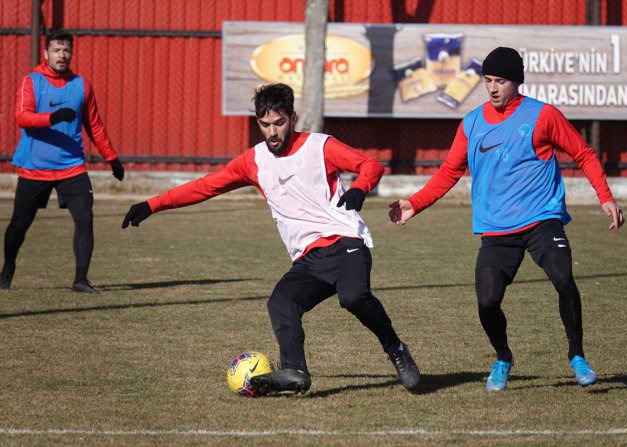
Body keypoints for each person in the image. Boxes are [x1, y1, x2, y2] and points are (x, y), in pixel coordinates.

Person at [122, 83, 420, 394]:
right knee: (281, 302)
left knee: (353, 298)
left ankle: (396, 349)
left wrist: (360, 187)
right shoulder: (254, 161)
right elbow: (206, 186)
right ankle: (295, 370)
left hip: (346, 242)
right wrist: (153, 204)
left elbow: (370, 165)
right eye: (265, 125)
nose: (273, 132)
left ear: (293, 118)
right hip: (308, 258)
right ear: (258, 123)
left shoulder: (320, 146)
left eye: (279, 123)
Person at [389, 47, 624, 392]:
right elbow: (449, 171)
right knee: (486, 301)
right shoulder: (472, 123)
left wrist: (605, 196)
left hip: (542, 219)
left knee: (562, 277)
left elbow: (583, 153)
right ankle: (503, 357)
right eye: (488, 81)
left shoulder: (542, 115)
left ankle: (577, 355)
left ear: (516, 82)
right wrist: (415, 204)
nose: (493, 88)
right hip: (496, 229)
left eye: (501, 81)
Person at [0, 30, 124, 294]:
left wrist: (112, 158)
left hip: (72, 167)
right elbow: (22, 118)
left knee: (85, 218)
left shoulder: (81, 85)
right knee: (19, 225)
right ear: (46, 54)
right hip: (35, 168)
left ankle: (81, 279)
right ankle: (8, 266)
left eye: (66, 50)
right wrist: (52, 118)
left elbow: (95, 126)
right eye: (56, 50)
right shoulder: (31, 82)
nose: (62, 55)